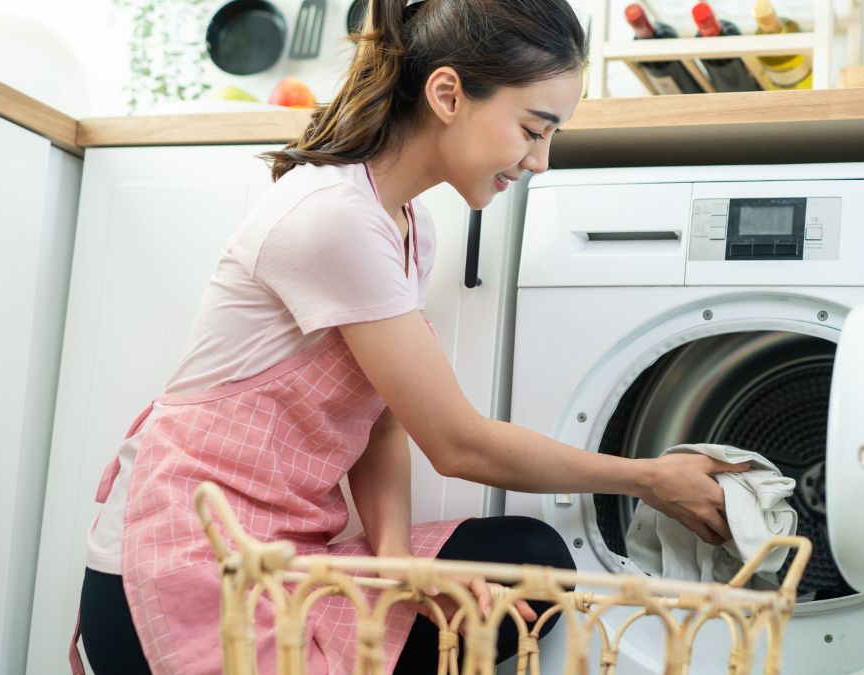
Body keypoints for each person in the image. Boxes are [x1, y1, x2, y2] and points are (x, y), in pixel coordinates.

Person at [73, 1, 748, 673]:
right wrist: (649, 479)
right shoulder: (333, 215)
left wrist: (398, 564)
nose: (540, 161)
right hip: (186, 564)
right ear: (447, 93)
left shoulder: (407, 226)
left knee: (528, 566)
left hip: (289, 551)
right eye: (532, 129)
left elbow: (385, 424)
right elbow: (455, 443)